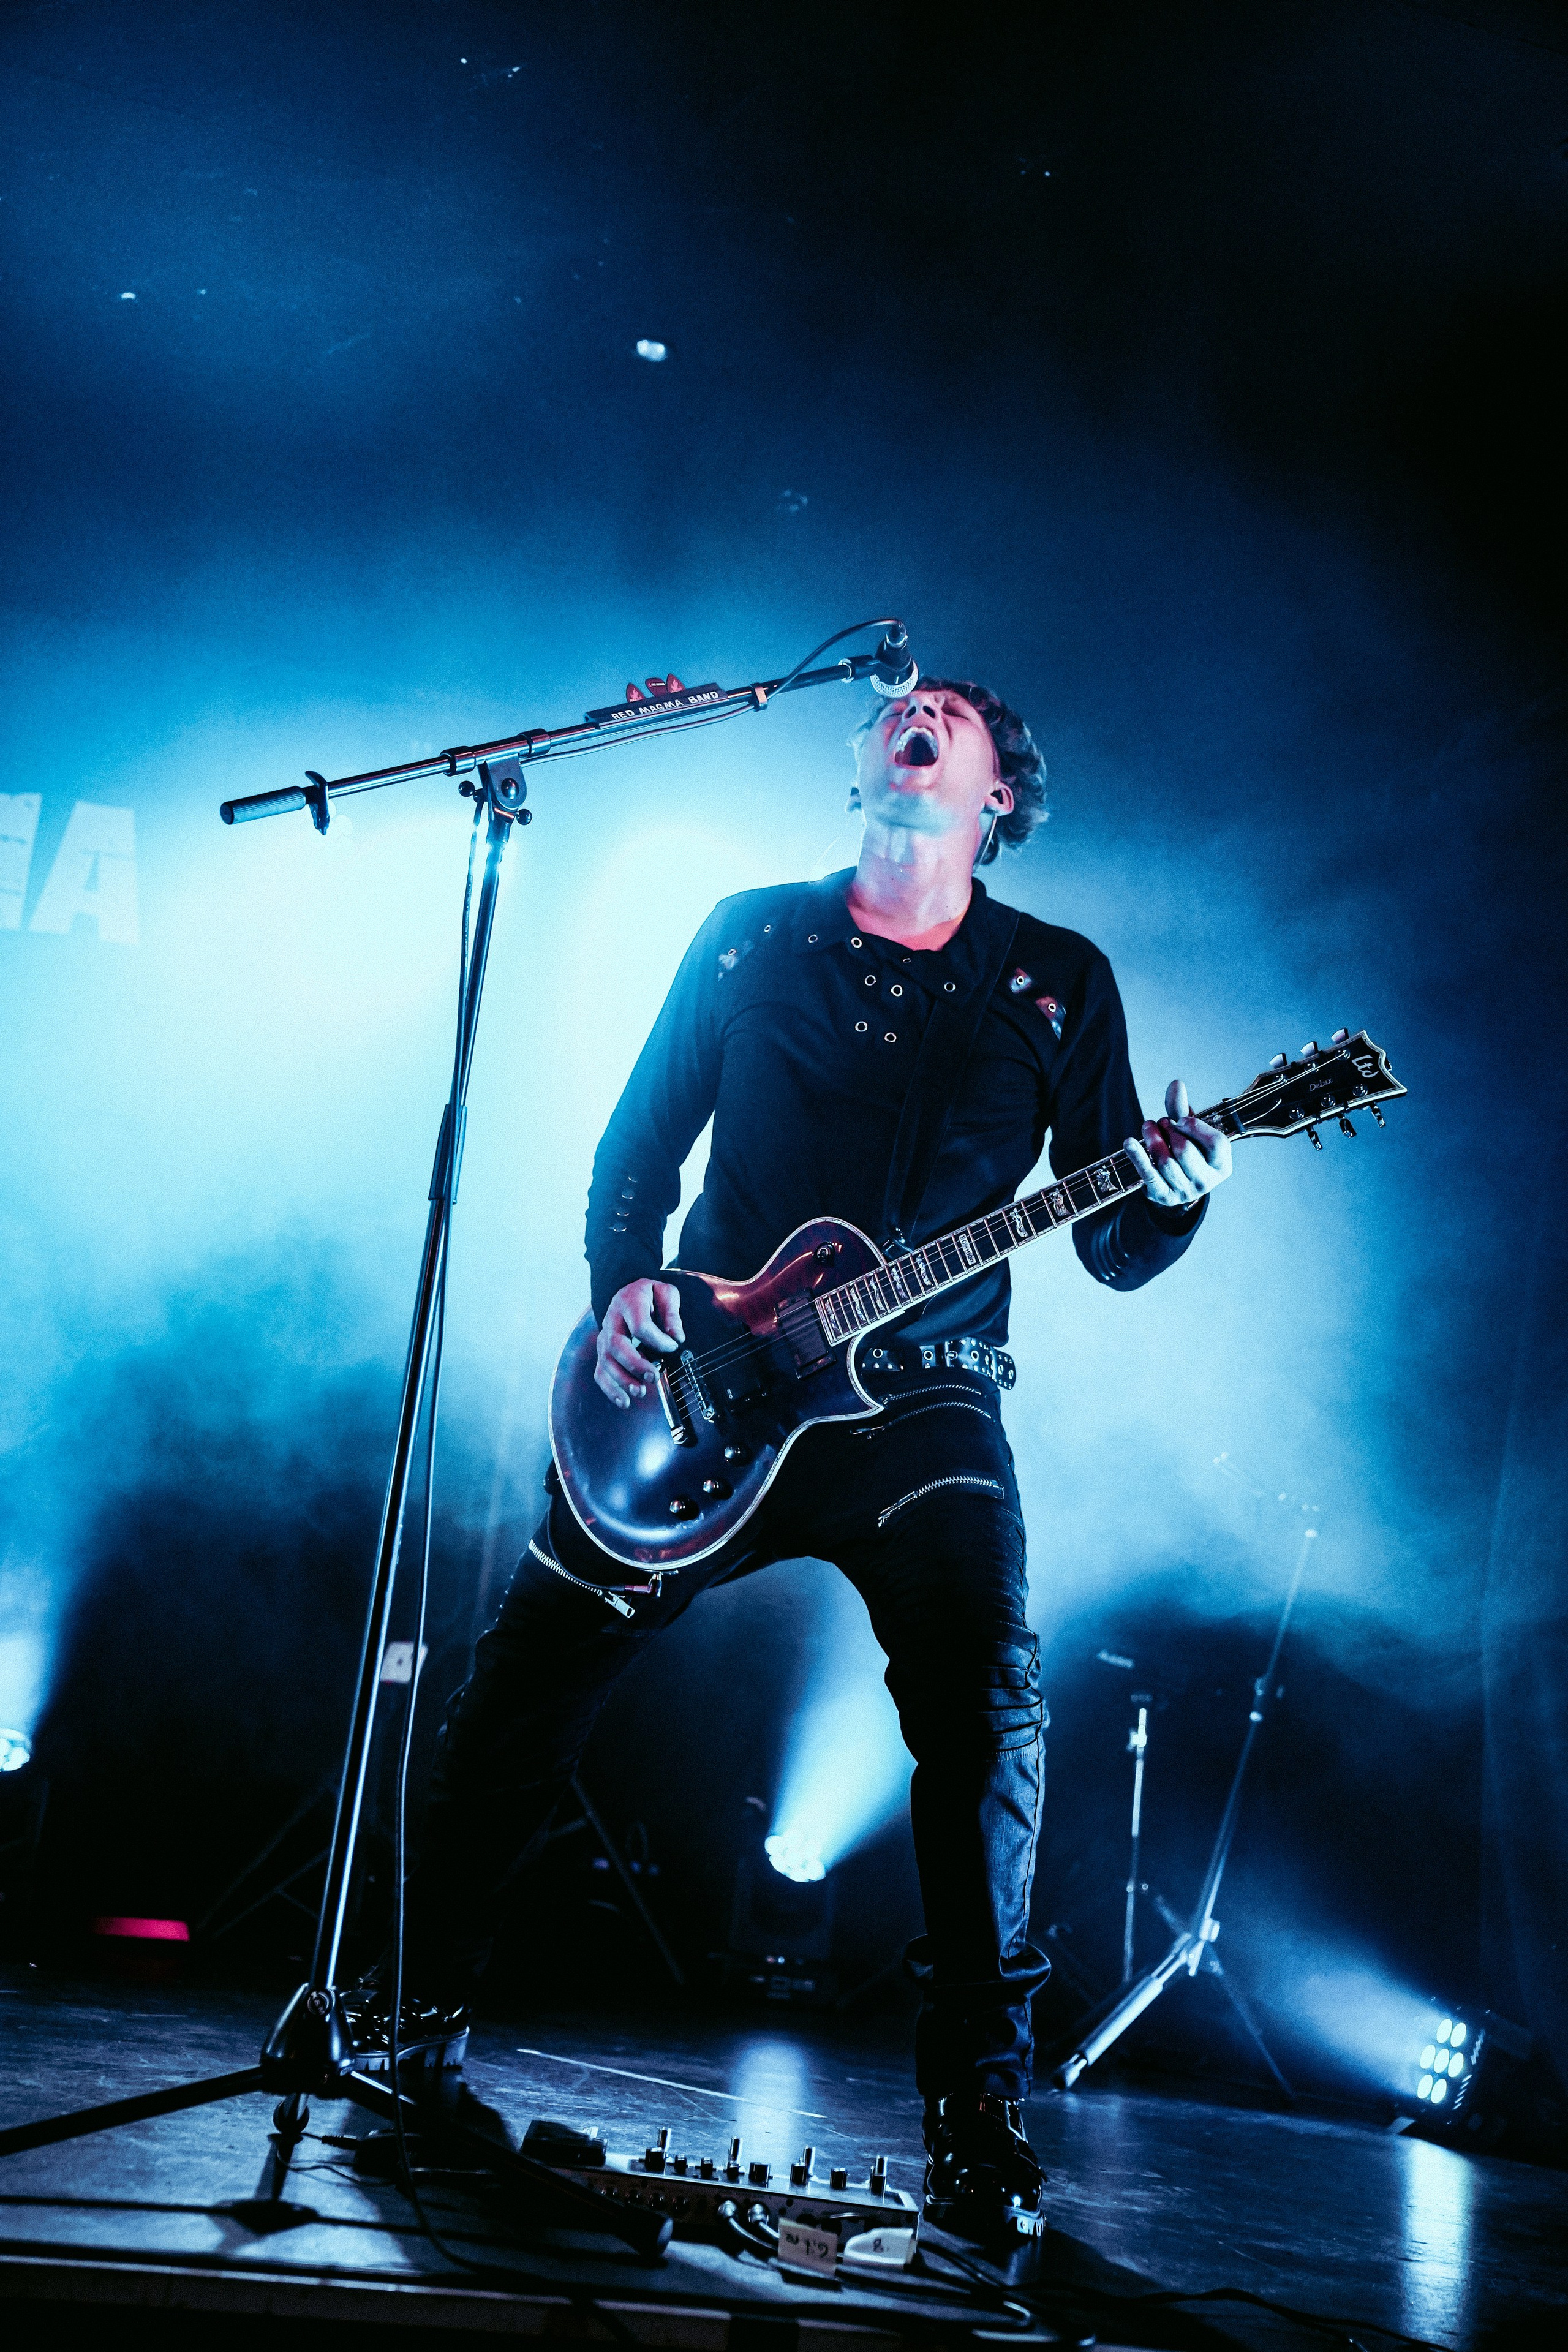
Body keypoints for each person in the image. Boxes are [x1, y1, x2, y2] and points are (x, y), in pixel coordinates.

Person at [349, 674, 1232, 2243]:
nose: (917, 708)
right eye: (899, 703)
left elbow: (1108, 1242)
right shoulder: (748, 928)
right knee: (528, 1674)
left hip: (927, 1402)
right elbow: (635, 1151)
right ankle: (404, 2024)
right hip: (707, 1378)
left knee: (984, 1714)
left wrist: (1175, 1189)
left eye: (950, 710)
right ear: (858, 770)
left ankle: (975, 2115)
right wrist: (623, 1288)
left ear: (995, 793)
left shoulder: (1053, 981)